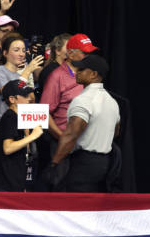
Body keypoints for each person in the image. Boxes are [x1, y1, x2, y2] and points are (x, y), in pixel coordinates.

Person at [47, 55, 120, 193]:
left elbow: (71, 135)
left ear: (94, 74)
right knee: (93, 210)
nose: (77, 71)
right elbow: (116, 131)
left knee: (78, 209)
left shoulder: (83, 100)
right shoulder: (112, 101)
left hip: (84, 164)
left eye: (81, 69)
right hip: (105, 164)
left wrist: (53, 164)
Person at [40, 34, 97, 188]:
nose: (88, 56)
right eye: (84, 53)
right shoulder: (57, 77)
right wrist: (64, 139)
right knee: (62, 191)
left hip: (85, 145)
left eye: (90, 53)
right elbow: (43, 114)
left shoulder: (90, 75)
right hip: (62, 144)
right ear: (70, 54)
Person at [0, 35, 43, 148]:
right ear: (5, 53)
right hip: (2, 127)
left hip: (20, 128)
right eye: (16, 50)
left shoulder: (19, 75)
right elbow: (10, 93)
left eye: (24, 50)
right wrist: (28, 71)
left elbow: (30, 101)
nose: (21, 54)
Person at [0, 80, 43, 192]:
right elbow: (8, 148)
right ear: (12, 99)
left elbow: (26, 150)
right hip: (6, 182)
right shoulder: (11, 116)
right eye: (25, 95)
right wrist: (33, 136)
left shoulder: (17, 116)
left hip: (14, 180)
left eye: (29, 94)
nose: (29, 98)